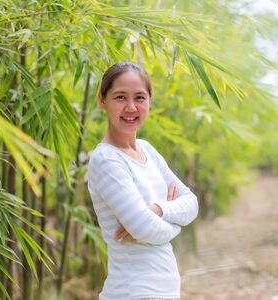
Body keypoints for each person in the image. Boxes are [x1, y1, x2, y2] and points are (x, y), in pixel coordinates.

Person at [87, 61, 199, 300]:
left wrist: (157, 209)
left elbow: (192, 203)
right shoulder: (106, 160)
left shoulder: (147, 150)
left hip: (162, 290)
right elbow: (144, 227)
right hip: (134, 292)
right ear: (102, 99)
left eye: (139, 97)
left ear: (149, 100)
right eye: (120, 97)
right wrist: (174, 222)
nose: (130, 107)